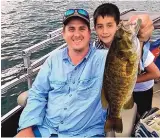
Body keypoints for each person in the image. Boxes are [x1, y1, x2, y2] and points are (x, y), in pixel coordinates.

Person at [16, 8, 108, 137]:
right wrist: (26, 128)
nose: (77, 34)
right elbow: (38, 93)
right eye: (71, 29)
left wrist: (141, 34)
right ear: (63, 33)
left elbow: (128, 59)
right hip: (46, 129)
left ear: (89, 33)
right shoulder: (53, 59)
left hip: (86, 133)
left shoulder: (105, 58)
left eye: (82, 29)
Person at [93, 3, 160, 116]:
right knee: (121, 112)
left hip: (142, 90)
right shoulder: (96, 47)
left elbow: (156, 73)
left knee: (142, 115)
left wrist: (126, 82)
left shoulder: (131, 48)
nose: (105, 31)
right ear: (95, 28)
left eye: (109, 25)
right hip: (114, 91)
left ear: (117, 25)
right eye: (100, 26)